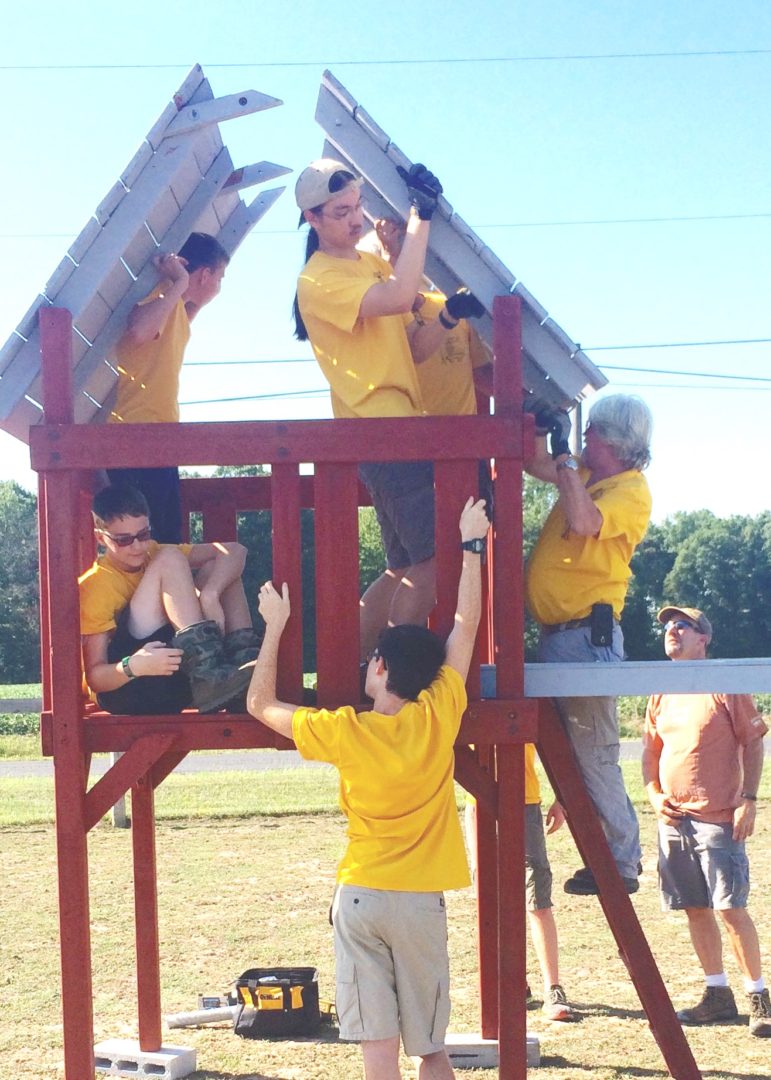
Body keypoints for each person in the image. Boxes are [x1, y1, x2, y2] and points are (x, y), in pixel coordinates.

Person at [247, 497, 490, 1080]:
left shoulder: (344, 731)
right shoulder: (437, 715)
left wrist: (275, 627)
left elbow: (260, 704)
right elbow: (465, 626)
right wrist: (473, 546)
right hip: (418, 902)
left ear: (379, 668)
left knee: (376, 1050)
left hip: (359, 896)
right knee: (430, 1047)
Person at [293, 158, 485, 660]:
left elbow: (415, 349)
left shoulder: (368, 263)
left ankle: (356, 669)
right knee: (435, 560)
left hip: (401, 427)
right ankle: (392, 673)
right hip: (378, 430)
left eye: (357, 207)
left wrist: (446, 315)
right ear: (312, 219)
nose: (356, 220)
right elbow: (402, 296)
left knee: (403, 567)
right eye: (341, 211)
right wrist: (421, 214)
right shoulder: (318, 279)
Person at [525, 393, 653, 895]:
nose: (583, 439)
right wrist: (539, 428)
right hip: (564, 638)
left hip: (586, 637)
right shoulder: (588, 477)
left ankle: (621, 863)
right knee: (567, 753)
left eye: (589, 431)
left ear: (614, 441)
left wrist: (565, 463)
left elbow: (584, 523)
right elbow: (538, 463)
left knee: (595, 754)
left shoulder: (631, 490)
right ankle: (603, 856)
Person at [642, 604, 771, 1037]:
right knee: (695, 908)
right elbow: (650, 752)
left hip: (719, 819)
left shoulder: (725, 684)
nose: (672, 630)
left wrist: (748, 799)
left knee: (730, 909)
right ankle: (717, 994)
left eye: (684, 625)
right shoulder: (660, 690)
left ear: (704, 639)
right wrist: (654, 796)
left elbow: (754, 743)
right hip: (673, 822)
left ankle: (759, 997)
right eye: (668, 626)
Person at [79, 483, 257, 715]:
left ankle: (247, 676)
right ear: (101, 539)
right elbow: (95, 677)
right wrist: (133, 666)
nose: (137, 546)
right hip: (130, 686)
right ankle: (209, 674)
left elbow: (234, 551)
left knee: (219, 567)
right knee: (170, 558)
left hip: (171, 672)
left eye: (143, 534)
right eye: (123, 540)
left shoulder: (151, 550)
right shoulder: (96, 585)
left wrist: (210, 595)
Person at [107, 232, 230, 543]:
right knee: (151, 544)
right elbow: (138, 331)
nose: (220, 287)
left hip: (159, 437)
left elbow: (186, 316)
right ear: (205, 274)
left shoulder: (176, 308)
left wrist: (184, 287)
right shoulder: (161, 296)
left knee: (166, 541)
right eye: (220, 277)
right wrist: (179, 283)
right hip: (135, 437)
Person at [465, 753, 577, 1022]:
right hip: (478, 802)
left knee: (537, 899)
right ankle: (513, 982)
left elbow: (554, 738)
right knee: (489, 896)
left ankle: (553, 988)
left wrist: (562, 797)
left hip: (523, 801)